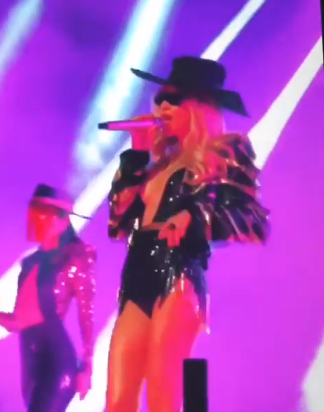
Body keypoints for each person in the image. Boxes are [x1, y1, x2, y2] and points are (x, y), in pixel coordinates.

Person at [105, 56, 270, 412]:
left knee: (163, 391)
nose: (162, 105)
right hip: (137, 270)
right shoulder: (156, 164)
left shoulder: (226, 151)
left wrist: (193, 217)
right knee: (118, 397)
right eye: (160, 97)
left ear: (199, 106)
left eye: (174, 98)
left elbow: (251, 220)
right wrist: (136, 155)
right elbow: (117, 224)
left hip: (179, 269)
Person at [0, 184, 96, 412]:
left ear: (60, 219)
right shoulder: (31, 263)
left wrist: (87, 364)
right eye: (35, 215)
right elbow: (18, 321)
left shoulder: (76, 255)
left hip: (56, 362)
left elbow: (86, 311)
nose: (37, 221)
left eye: (43, 215)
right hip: (31, 364)